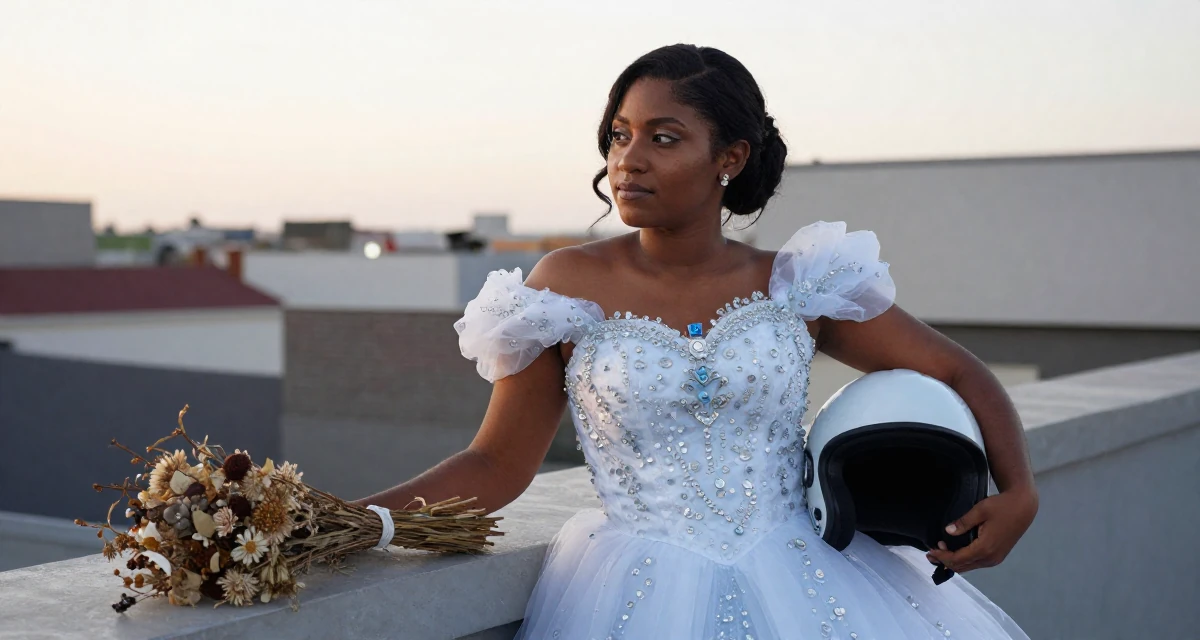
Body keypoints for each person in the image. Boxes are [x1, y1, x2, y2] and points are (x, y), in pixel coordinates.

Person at [356, 43, 1038, 639]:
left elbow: (956, 372)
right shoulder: (563, 287)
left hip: (808, 578)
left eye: (663, 137)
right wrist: (349, 522)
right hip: (631, 591)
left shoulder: (800, 284)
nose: (629, 160)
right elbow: (495, 464)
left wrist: (1019, 492)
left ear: (730, 159)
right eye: (619, 136)